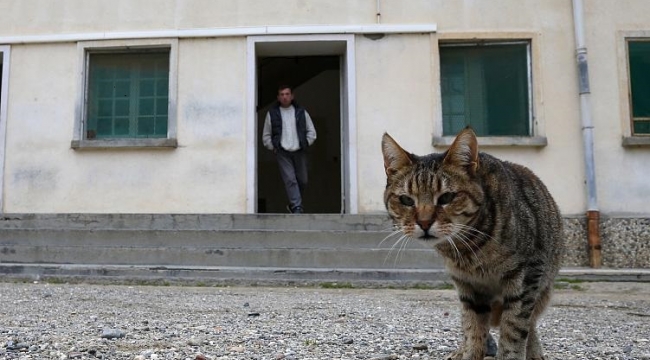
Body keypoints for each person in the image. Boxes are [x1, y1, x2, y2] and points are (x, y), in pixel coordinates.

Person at [262, 85, 317, 214]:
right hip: (282, 152)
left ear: (292, 96)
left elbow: (312, 132)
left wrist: (305, 144)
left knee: (303, 180)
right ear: (278, 97)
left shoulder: (301, 112)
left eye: (287, 94)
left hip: (299, 151)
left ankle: (293, 204)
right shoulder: (272, 114)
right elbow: (266, 136)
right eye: (282, 94)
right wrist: (274, 147)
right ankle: (297, 206)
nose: (285, 97)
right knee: (290, 180)